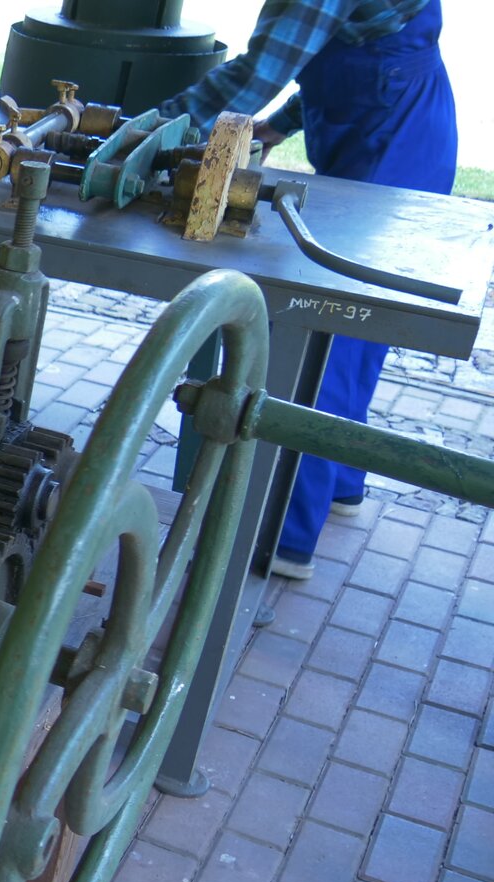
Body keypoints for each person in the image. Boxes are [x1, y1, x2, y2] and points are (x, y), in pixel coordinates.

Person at [157, 0, 458, 580]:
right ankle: (340, 480)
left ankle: (280, 535)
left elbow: (255, 74)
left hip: (395, 146)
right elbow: (340, 52)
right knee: (355, 330)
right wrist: (276, 128)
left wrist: (145, 130)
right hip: (396, 126)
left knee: (325, 328)